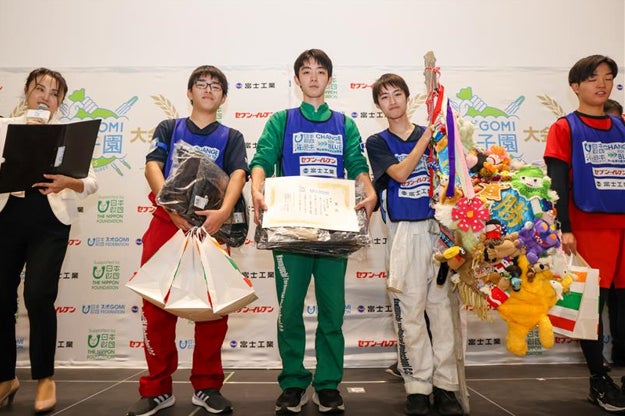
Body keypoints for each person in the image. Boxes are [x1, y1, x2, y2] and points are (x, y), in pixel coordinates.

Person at [249, 49, 377, 414]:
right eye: (306, 72)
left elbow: (357, 164)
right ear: (297, 80)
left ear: (329, 80)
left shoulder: (344, 124)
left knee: (332, 313)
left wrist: (368, 189)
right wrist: (256, 188)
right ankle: (293, 382)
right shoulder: (282, 120)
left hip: (334, 231)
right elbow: (262, 159)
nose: (314, 77)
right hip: (291, 231)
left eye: (320, 72)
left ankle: (327, 384)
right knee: (289, 311)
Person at [127, 65, 248, 416]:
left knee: (212, 309)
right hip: (167, 224)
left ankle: (207, 386)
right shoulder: (170, 127)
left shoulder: (231, 136)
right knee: (156, 308)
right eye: (201, 84)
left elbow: (238, 174)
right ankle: (157, 388)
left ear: (223, 98)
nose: (208, 89)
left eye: (215, 86)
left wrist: (223, 213)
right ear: (189, 92)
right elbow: (152, 166)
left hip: (211, 229)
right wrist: (171, 206)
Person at [0, 68, 98, 413]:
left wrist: (68, 182)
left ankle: (45, 378)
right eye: (39, 89)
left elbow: (91, 182)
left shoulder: (68, 133)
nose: (46, 97)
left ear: (60, 102)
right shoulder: (3, 127)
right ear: (27, 92)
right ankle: (5, 378)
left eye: (54, 93)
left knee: (38, 295)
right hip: (6, 218)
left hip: (50, 223)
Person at [365, 73, 463, 416]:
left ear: (408, 98)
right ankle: (418, 387)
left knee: (441, 313)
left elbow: (455, 176)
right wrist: (428, 137)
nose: (392, 101)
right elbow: (401, 174)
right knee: (409, 316)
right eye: (384, 97)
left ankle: (446, 387)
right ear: (378, 106)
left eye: (397, 94)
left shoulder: (435, 136)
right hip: (404, 234)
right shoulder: (378, 142)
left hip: (438, 231)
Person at [544, 55, 625, 413]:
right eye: (593, 78)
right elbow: (557, 183)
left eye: (607, 77)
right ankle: (599, 379)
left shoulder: (622, 125)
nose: (601, 84)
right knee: (591, 307)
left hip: (623, 226)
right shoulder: (565, 127)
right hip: (589, 227)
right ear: (575, 86)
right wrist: (565, 228)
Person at [603, 98, 625, 368]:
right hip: (598, 233)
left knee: (620, 298)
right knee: (599, 299)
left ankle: (619, 354)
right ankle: (600, 361)